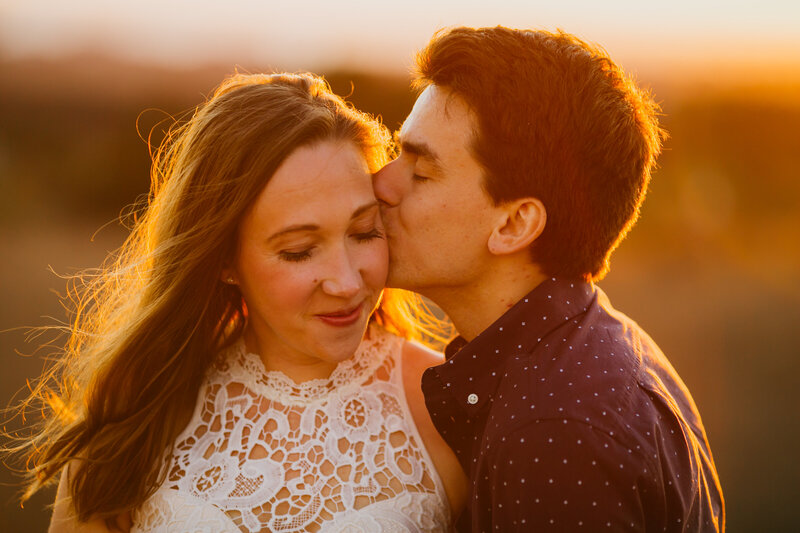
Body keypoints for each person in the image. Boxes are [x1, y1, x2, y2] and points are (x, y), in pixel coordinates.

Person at [11, 72, 466, 532]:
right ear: (225, 257)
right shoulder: (138, 409)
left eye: (364, 232)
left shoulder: (449, 406)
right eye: (299, 250)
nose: (347, 283)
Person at [373, 26, 725, 531]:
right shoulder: (597, 343)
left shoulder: (553, 433)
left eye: (421, 172)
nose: (381, 183)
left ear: (514, 224)